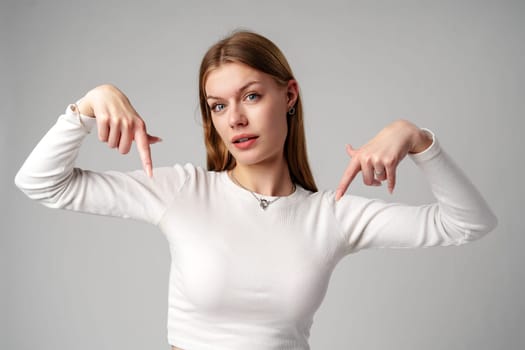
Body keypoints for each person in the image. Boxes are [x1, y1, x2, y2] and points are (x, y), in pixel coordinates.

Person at [15, 30, 497, 350]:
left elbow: (468, 224)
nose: (236, 119)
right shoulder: (183, 191)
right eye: (218, 106)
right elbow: (41, 183)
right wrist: (86, 105)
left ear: (288, 96)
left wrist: (416, 138)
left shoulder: (333, 216)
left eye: (250, 96)